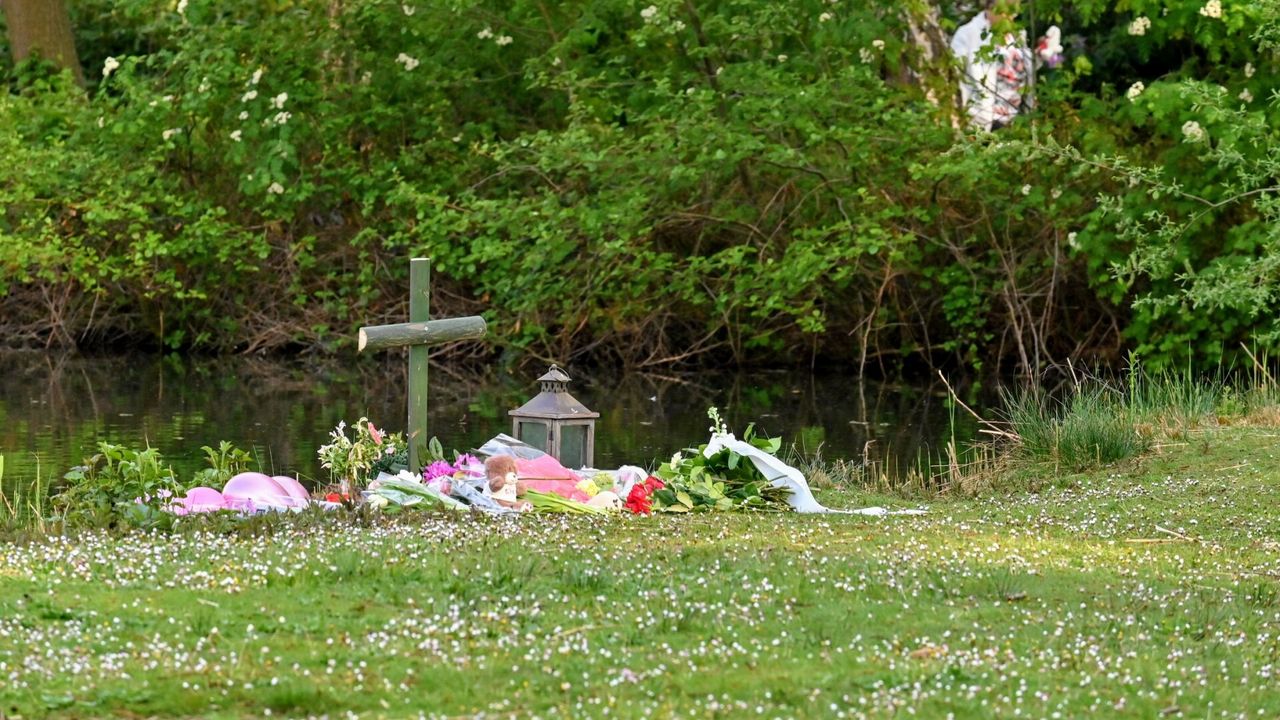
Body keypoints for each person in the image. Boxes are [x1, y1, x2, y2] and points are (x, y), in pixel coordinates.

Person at [950, 0, 1035, 131]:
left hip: (1017, 123)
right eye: (1007, 7)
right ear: (991, 6)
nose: (1012, 14)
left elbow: (1016, 71)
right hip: (985, 124)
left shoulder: (1018, 35)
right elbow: (955, 78)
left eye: (1015, 8)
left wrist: (1039, 56)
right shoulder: (968, 34)